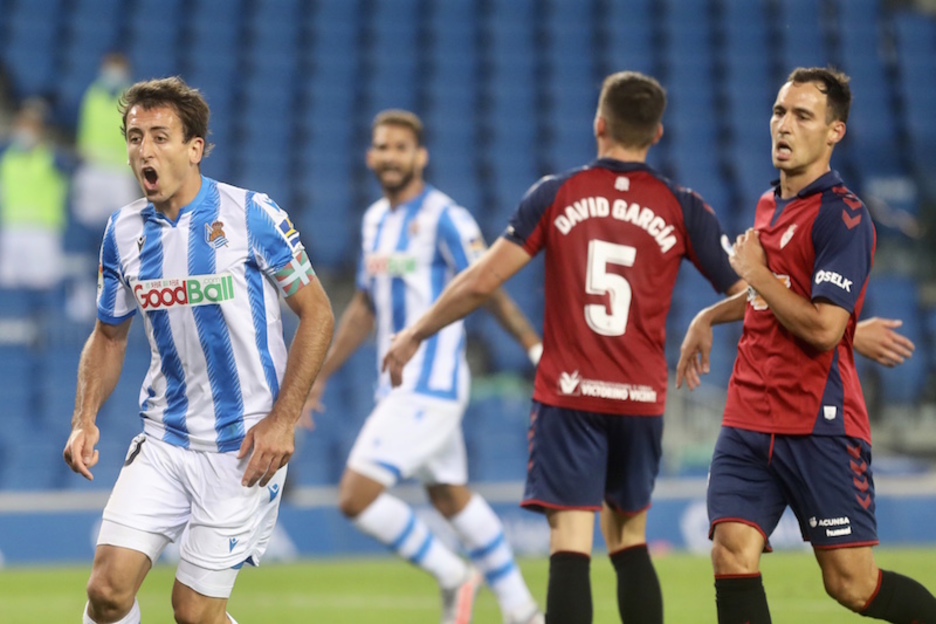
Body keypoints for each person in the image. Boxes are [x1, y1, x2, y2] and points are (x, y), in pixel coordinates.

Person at [381, 71, 749, 624]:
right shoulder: (682, 206)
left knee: (571, 541)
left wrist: (415, 332)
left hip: (571, 395)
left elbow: (482, 280)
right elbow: (749, 295)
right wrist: (707, 318)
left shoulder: (557, 194)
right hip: (639, 400)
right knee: (629, 539)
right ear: (657, 133)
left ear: (599, 124)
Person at [62, 77, 335, 624]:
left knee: (193, 613)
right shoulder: (121, 231)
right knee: (107, 592)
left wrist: (283, 420)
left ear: (195, 148)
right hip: (165, 438)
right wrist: (84, 417)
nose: (144, 149)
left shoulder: (252, 216)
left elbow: (319, 314)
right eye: (135, 136)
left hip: (242, 449)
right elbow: (108, 334)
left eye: (160, 136)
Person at [676, 67, 936, 624]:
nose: (784, 126)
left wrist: (757, 275)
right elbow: (771, 299)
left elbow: (819, 327)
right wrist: (709, 314)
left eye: (802, 115)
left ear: (834, 131)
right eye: (778, 112)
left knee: (852, 585)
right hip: (749, 419)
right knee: (730, 551)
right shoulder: (771, 204)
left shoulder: (844, 218)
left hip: (818, 424)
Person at [303, 109, 544, 624]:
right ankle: (523, 611)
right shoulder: (373, 220)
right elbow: (365, 307)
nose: (390, 157)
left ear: (420, 155)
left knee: (355, 495)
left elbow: (487, 286)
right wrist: (320, 374)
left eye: (400, 147)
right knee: (451, 497)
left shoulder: (445, 217)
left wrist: (532, 347)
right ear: (371, 156)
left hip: (431, 384)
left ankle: (453, 574)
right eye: (382, 148)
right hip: (396, 386)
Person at [0, 98, 72, 290]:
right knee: (10, 285)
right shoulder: (6, 157)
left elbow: (72, 168)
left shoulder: (53, 158)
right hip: (13, 229)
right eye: (22, 125)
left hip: (43, 230)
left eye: (31, 126)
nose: (26, 131)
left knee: (42, 285)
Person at [72, 52, 140, 232]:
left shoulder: (133, 99)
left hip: (120, 168)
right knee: (84, 216)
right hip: (93, 164)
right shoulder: (93, 94)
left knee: (127, 222)